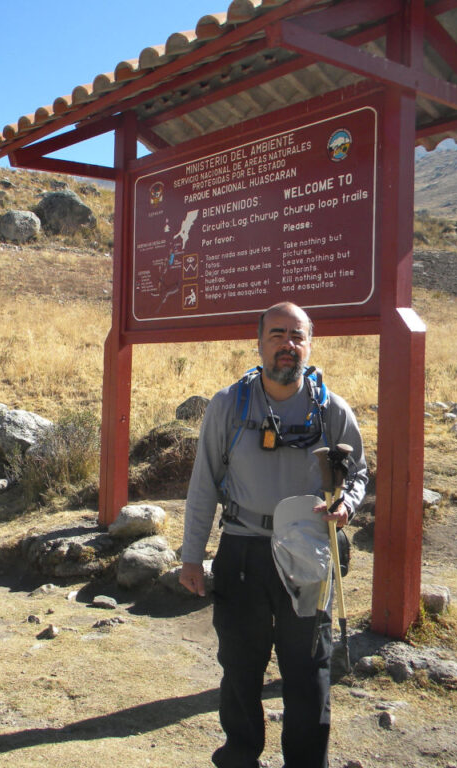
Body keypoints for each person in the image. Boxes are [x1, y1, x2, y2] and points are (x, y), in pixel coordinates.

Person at [179, 302, 367, 768]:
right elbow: (203, 483)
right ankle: (240, 757)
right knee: (240, 667)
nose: (288, 345)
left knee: (308, 669)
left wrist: (346, 504)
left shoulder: (332, 410)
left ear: (310, 343)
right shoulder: (229, 406)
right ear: (260, 342)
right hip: (242, 549)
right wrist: (190, 556)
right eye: (278, 335)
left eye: (297, 336)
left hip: (309, 554)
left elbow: (359, 472)